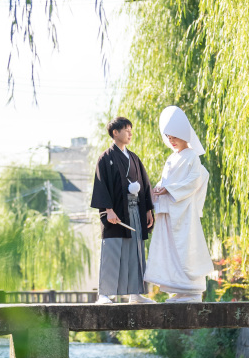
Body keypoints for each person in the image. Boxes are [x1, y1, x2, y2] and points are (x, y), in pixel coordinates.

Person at [145, 105, 214, 302]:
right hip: (169, 210)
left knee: (186, 247)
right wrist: (159, 189)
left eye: (174, 136)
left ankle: (192, 290)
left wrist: (169, 189)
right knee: (170, 249)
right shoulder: (171, 158)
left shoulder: (192, 156)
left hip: (184, 210)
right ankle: (179, 289)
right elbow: (165, 181)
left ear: (184, 135)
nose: (171, 140)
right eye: (168, 137)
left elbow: (194, 180)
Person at [90, 116, 155, 304]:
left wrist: (148, 210)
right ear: (115, 132)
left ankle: (135, 293)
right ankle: (104, 294)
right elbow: (102, 185)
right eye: (126, 130)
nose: (130, 134)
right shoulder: (106, 158)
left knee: (136, 251)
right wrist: (108, 209)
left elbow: (144, 184)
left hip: (135, 210)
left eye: (130, 130)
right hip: (116, 212)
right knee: (112, 250)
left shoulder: (134, 158)